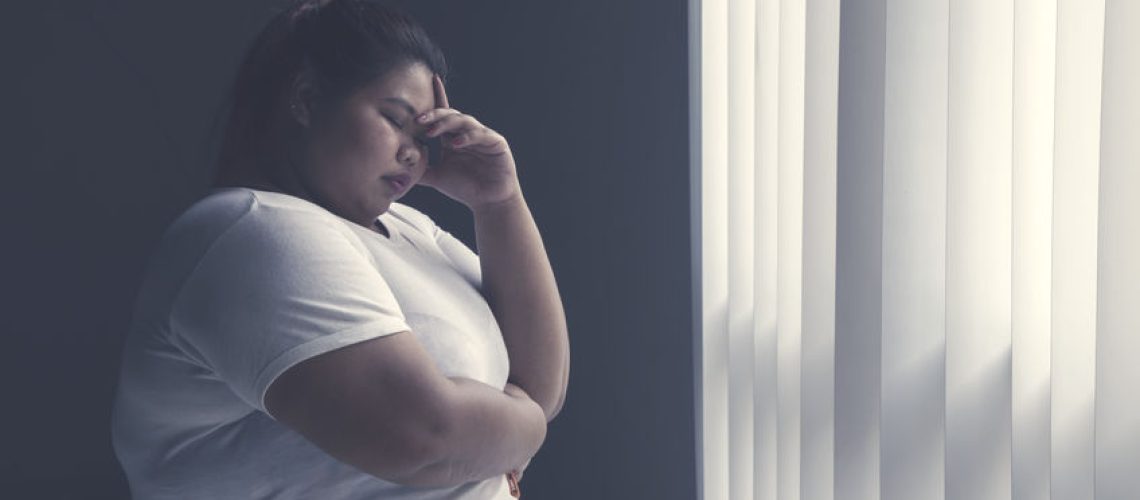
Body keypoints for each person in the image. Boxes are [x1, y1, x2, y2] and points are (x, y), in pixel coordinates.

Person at [109, 0, 570, 498]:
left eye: (424, 134)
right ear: (306, 98)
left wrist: (499, 201)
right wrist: (523, 434)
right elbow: (425, 438)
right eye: (396, 119)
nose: (413, 151)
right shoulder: (250, 232)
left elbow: (543, 388)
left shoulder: (411, 229)